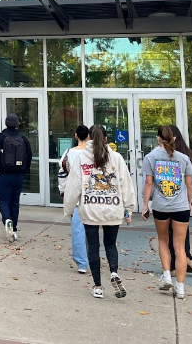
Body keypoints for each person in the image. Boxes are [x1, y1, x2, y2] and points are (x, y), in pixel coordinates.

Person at [63, 125, 135, 299]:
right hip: (113, 208)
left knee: (93, 246)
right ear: (106, 138)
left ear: (89, 137)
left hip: (90, 209)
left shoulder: (82, 158)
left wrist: (69, 209)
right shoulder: (116, 158)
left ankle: (97, 286)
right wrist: (129, 207)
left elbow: (73, 187)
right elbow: (125, 183)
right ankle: (114, 272)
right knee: (111, 244)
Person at [141, 125, 192, 300]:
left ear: (158, 139)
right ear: (174, 139)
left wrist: (145, 204)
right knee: (180, 248)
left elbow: (149, 183)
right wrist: (188, 202)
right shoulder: (184, 158)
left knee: (163, 241)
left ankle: (166, 275)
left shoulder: (151, 158)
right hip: (181, 208)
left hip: (161, 206)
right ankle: (180, 288)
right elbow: (189, 185)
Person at [167, 125, 192, 274]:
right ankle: (186, 256)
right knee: (183, 230)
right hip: (184, 200)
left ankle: (173, 265)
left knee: (169, 232)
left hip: (167, 198)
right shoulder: (189, 156)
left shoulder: (163, 156)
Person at [0, 113, 31, 243]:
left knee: (3, 200)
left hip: (3, 175)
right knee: (15, 202)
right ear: (17, 124)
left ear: (6, 123)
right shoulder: (23, 139)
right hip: (18, 176)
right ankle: (14, 230)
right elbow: (28, 157)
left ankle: (7, 220)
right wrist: (24, 172)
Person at [57, 125, 91, 274]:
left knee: (78, 230)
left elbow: (62, 174)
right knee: (92, 230)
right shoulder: (93, 153)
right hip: (92, 197)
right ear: (88, 136)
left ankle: (82, 263)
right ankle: (92, 257)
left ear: (76, 135)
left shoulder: (68, 153)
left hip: (75, 196)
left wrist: (63, 191)